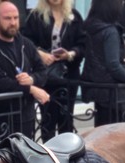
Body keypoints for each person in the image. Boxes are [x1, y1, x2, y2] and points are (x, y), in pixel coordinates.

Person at [0, 2, 52, 137]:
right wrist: (30, 89)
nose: (13, 22)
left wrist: (31, 79)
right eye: (8, 18)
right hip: (0, 117)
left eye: (16, 18)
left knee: (27, 155)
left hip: (26, 115)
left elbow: (42, 71)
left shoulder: (25, 43)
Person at [23, 0, 86, 140]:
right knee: (48, 121)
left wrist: (70, 54)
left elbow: (83, 44)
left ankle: (68, 156)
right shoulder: (36, 16)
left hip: (68, 74)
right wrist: (40, 53)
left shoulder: (74, 16)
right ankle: (50, 156)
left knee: (67, 120)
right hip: (46, 75)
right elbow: (26, 41)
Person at [81, 0, 125, 126]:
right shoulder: (110, 31)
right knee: (114, 131)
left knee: (102, 129)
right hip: (112, 91)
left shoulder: (93, 27)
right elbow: (113, 65)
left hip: (99, 87)